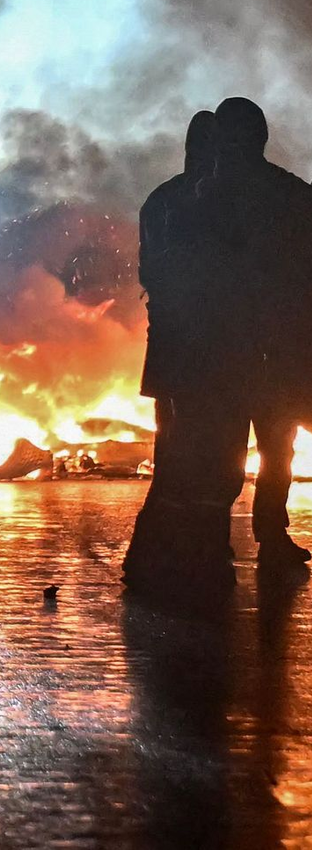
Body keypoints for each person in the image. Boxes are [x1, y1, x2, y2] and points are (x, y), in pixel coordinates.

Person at [122, 111, 228, 597]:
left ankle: (152, 557)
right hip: (210, 347)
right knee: (211, 458)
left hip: (170, 344)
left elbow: (151, 273)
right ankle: (198, 558)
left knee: (174, 454)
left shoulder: (160, 199)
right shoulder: (214, 201)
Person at [204, 97, 312, 572]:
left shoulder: (197, 196)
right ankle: (266, 535)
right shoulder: (288, 193)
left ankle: (213, 543)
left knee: (232, 449)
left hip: (225, 347)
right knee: (272, 447)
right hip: (267, 346)